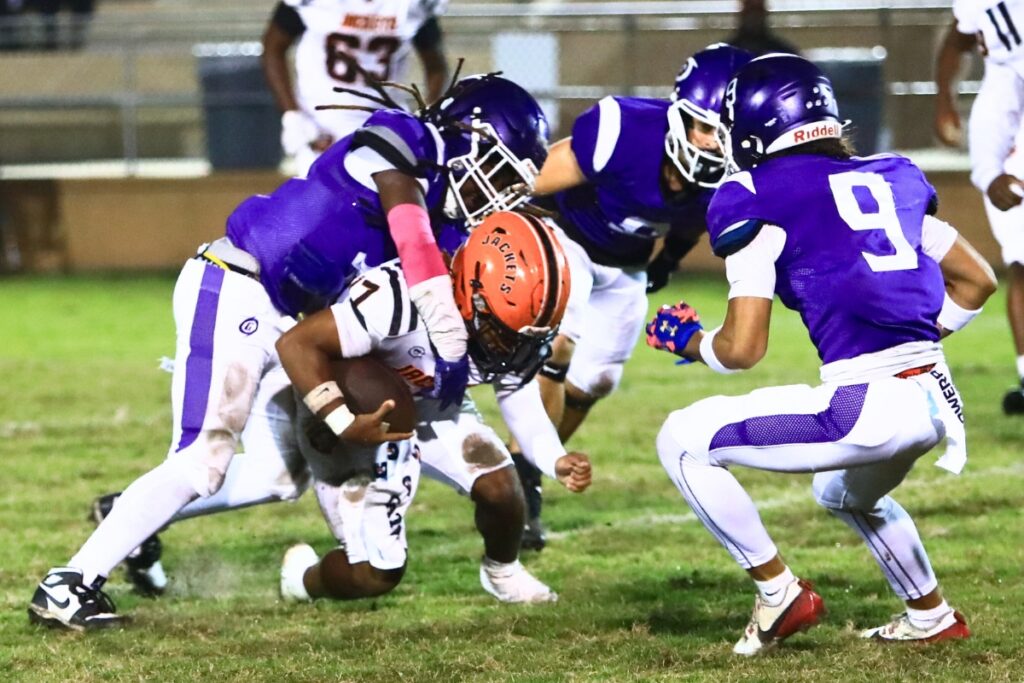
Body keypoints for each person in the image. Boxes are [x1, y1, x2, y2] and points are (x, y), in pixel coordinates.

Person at [28, 75, 549, 630]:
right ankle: (69, 585)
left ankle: (126, 514)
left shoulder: (445, 218)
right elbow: (411, 237)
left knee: (276, 475)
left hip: (296, 319)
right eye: (499, 172)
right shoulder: (405, 140)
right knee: (203, 457)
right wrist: (444, 335)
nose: (498, 192)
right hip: (238, 284)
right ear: (469, 138)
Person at [649, 53, 996, 655]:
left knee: (680, 440)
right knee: (842, 493)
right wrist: (910, 337)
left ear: (754, 126)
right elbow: (978, 280)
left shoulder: (752, 194)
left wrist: (692, 341)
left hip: (865, 406)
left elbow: (743, 348)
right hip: (936, 401)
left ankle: (778, 593)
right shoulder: (893, 176)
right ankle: (931, 616)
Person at [275, 212, 591, 603]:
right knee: (375, 575)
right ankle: (301, 582)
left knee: (501, 491)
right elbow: (297, 344)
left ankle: (502, 572)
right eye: (503, 332)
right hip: (354, 415)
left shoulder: (503, 326)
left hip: (429, 405)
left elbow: (518, 395)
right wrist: (338, 419)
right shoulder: (399, 299)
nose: (512, 347)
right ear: (470, 290)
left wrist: (554, 458)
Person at [510, 43, 753, 550]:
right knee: (559, 347)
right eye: (706, 128)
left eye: (727, 133)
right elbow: (530, 180)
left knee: (597, 379)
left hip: (627, 263)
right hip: (567, 240)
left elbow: (691, 222)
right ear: (680, 115)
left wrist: (669, 261)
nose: (715, 144)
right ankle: (528, 484)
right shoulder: (622, 129)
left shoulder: (732, 177)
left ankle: (520, 465)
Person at [934, 0, 1024, 413]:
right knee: (1022, 263)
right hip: (1011, 140)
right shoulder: (1006, 68)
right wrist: (991, 175)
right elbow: (959, 42)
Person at [262, 0, 450, 176]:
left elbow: (436, 67)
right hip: (323, 123)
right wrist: (293, 115)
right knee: (325, 196)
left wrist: (428, 115)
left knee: (397, 193)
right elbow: (273, 47)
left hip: (387, 122)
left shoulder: (412, 4)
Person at [727, 0, 800, 57]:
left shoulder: (784, 53)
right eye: (751, 9)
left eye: (758, 9)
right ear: (742, 12)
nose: (754, 16)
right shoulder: (728, 54)